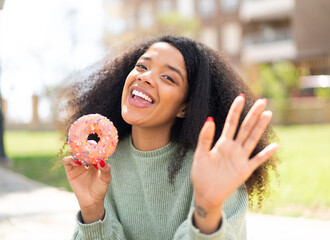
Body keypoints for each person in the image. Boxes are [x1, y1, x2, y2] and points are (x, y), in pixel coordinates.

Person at [59, 35, 279, 240]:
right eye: (142, 66)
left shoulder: (214, 168)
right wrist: (92, 211)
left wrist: (207, 210)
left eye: (168, 77)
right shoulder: (104, 165)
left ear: (184, 107)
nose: (145, 77)